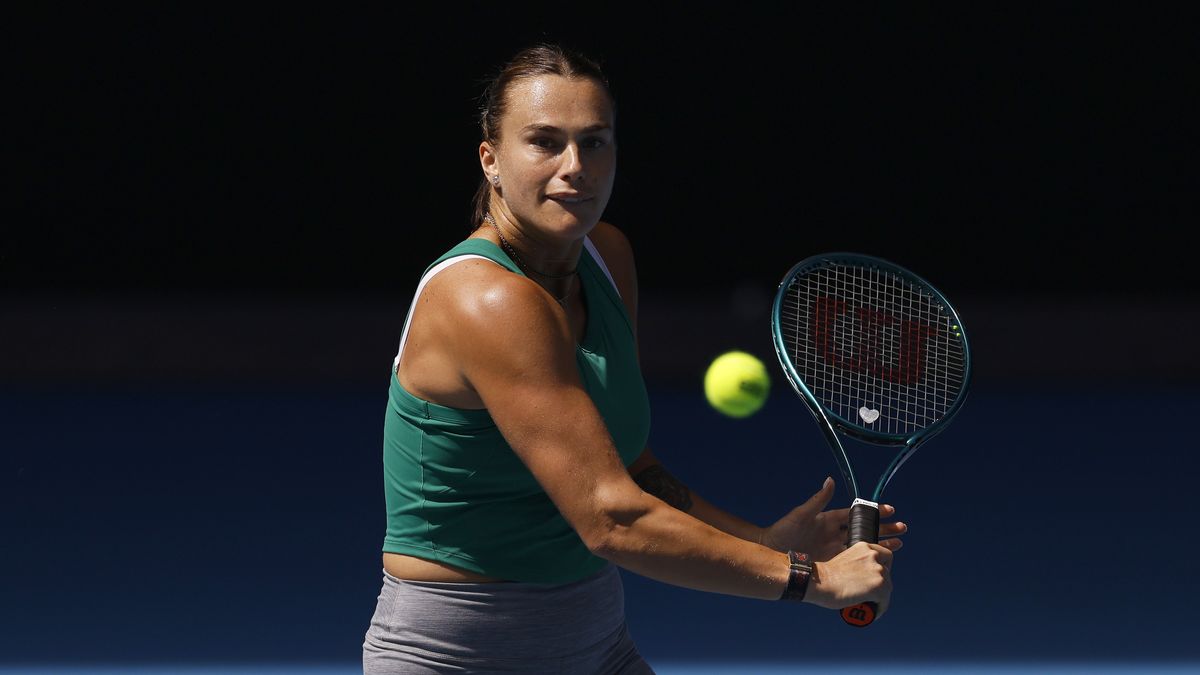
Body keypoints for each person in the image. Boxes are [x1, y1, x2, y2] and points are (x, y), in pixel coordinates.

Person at [362, 43, 906, 674]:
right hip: (460, 656)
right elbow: (611, 518)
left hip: (597, 645)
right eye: (544, 142)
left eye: (594, 142)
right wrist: (811, 579)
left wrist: (760, 542)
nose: (575, 167)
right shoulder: (485, 298)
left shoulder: (606, 257)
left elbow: (629, 468)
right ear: (491, 160)